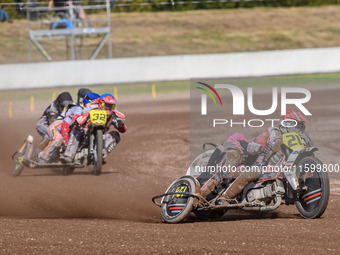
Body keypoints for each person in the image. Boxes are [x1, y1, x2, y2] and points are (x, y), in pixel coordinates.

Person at [198, 110, 308, 203]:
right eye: (296, 126)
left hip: (280, 171)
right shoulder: (272, 132)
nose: (298, 130)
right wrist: (261, 148)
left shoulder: (301, 141)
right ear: (287, 124)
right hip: (259, 166)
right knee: (253, 171)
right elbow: (250, 146)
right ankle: (221, 198)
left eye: (300, 126)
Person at [60, 93, 127, 163]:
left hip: (101, 136)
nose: (108, 107)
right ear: (101, 103)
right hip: (85, 134)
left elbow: (123, 129)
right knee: (76, 130)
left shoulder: (114, 114)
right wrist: (81, 118)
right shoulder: (91, 108)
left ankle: (101, 154)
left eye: (111, 105)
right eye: (106, 105)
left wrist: (121, 125)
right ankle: (69, 155)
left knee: (116, 135)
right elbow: (83, 113)